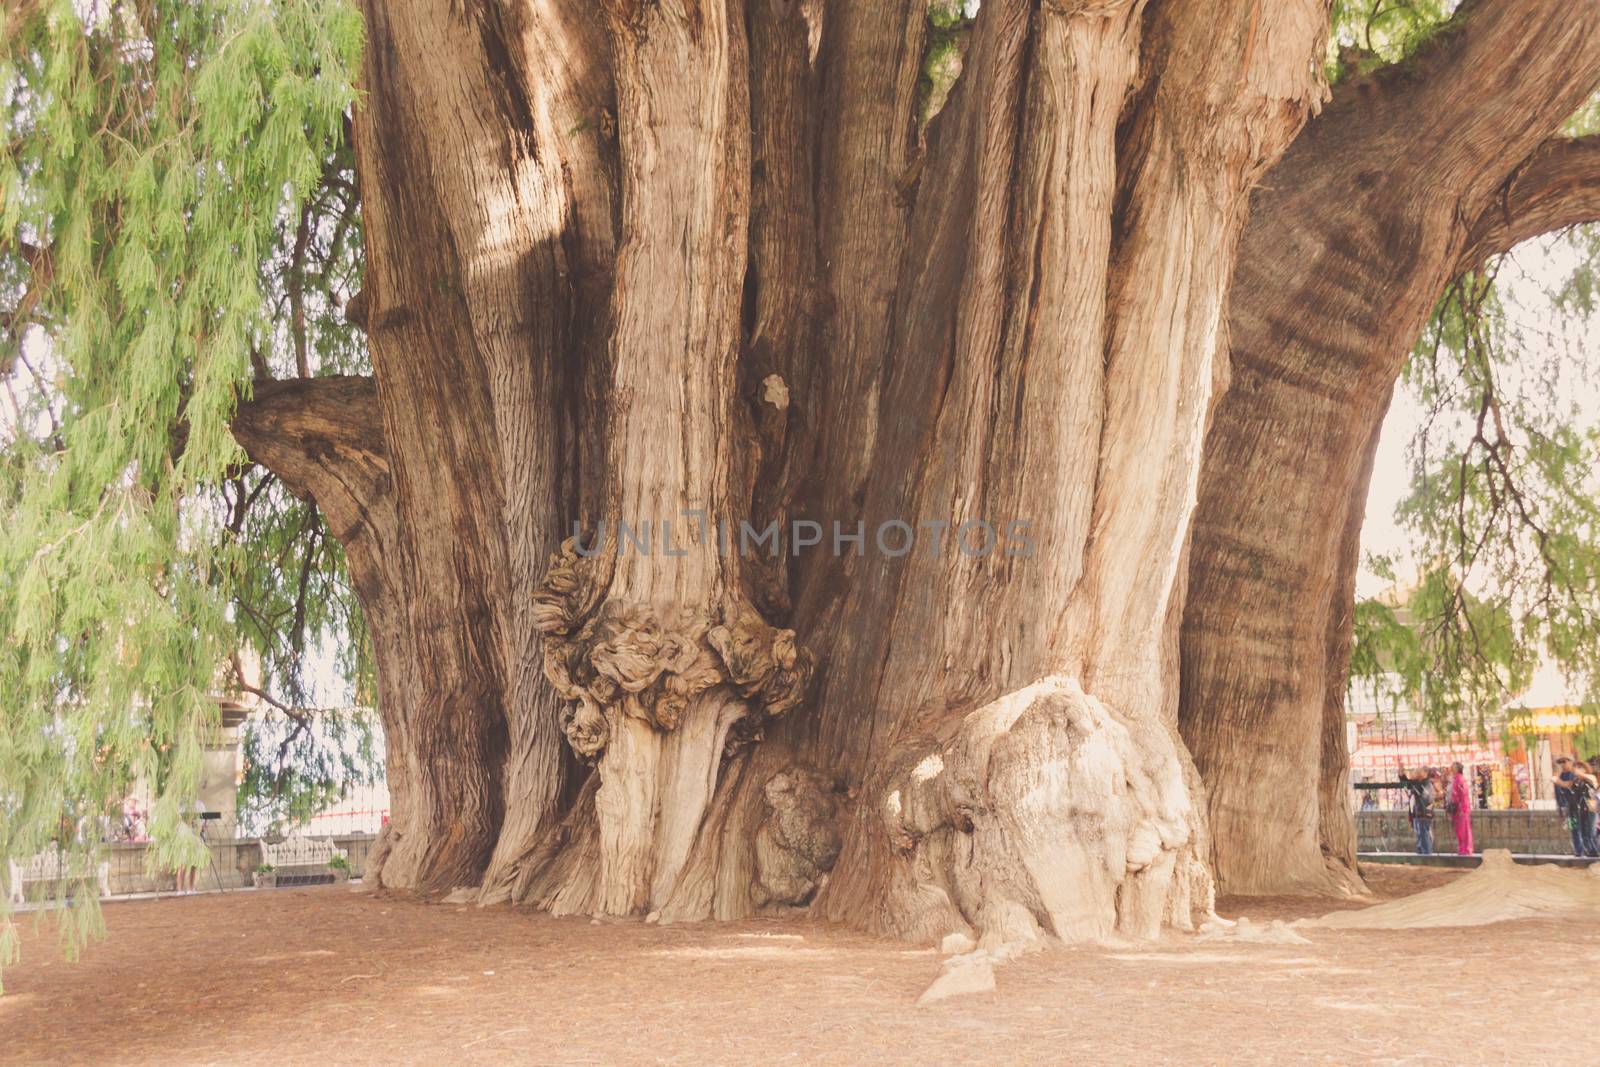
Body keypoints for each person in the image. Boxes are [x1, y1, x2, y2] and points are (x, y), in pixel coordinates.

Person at [1566, 761, 1600, 859]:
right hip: (1581, 808)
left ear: (1584, 769)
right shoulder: (1577, 781)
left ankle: (1596, 851)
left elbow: (1592, 782)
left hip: (1591, 804)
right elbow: (1568, 787)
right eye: (1574, 768)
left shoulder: (1591, 777)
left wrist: (1579, 773)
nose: (1575, 770)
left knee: (1591, 831)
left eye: (1578, 767)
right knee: (1584, 832)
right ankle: (1591, 852)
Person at [1397, 765, 1434, 855]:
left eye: (1419, 771)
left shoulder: (1426, 784)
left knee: (1424, 837)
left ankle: (1426, 856)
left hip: (1423, 814)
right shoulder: (1420, 783)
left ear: (1425, 774)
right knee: (1420, 837)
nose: (1416, 773)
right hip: (1419, 814)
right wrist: (1402, 775)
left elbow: (1426, 799)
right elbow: (1409, 784)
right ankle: (1422, 855)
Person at [1447, 762, 1475, 855]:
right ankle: (1462, 849)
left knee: (1463, 830)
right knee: (1460, 830)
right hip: (1458, 808)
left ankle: (1466, 849)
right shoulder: (1455, 779)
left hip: (1461, 808)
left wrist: (1461, 807)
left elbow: (1462, 795)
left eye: (1453, 767)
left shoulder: (1459, 779)